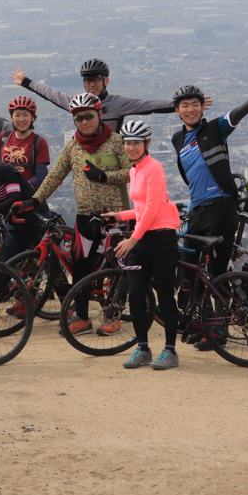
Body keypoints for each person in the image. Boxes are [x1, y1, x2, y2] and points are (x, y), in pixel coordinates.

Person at [170, 76, 248, 349]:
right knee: (190, 271)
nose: (190, 109)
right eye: (185, 105)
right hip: (197, 210)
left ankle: (218, 330)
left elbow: (239, 113)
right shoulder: (178, 139)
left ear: (202, 108)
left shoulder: (216, 128)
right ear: (177, 110)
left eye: (195, 104)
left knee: (217, 271)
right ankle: (202, 323)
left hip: (221, 207)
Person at [12, 93, 131, 336]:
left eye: (89, 116)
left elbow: (132, 171)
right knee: (80, 267)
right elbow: (55, 175)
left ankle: (113, 315)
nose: (84, 122)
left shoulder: (117, 142)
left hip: (116, 216)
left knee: (117, 265)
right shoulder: (73, 146)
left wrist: (105, 176)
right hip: (85, 215)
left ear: (99, 115)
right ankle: (83, 317)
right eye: (78, 118)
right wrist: (35, 199)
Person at [101, 120, 182, 370]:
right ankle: (143, 348)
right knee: (136, 295)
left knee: (166, 295)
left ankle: (170, 351)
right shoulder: (135, 170)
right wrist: (120, 215)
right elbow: (140, 208)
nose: (131, 147)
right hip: (142, 237)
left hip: (161, 238)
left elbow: (153, 208)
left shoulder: (153, 167)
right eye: (127, 143)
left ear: (147, 143)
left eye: (136, 143)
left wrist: (132, 239)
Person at [12, 58, 196, 130]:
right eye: (87, 81)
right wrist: (27, 82)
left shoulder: (117, 103)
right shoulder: (77, 103)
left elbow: (148, 105)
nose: (91, 85)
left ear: (106, 81)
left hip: (112, 164)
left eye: (96, 80)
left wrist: (183, 104)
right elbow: (53, 94)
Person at [0, 95, 51, 187]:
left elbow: (41, 175)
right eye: (17, 115)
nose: (21, 119)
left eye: (25, 115)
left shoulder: (39, 142)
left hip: (27, 195)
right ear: (11, 117)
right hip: (3, 192)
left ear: (33, 118)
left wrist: (21, 188)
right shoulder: (3, 137)